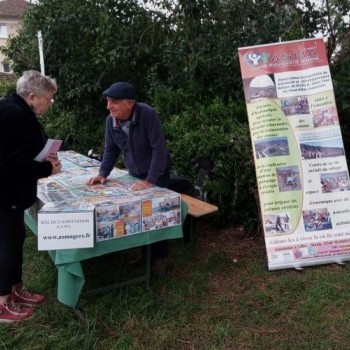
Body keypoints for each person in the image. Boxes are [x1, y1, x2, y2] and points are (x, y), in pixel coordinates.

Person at [86, 82, 171, 274]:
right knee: (138, 213)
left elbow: (159, 149)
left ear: (130, 103)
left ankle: (161, 256)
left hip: (156, 172)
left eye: (114, 102)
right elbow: (111, 150)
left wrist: (150, 180)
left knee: (156, 213)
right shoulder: (111, 121)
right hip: (135, 172)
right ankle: (144, 252)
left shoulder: (147, 114)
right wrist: (102, 174)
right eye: (108, 101)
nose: (109, 106)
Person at [0, 70, 61, 322]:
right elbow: (11, 164)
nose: (49, 104)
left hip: (11, 192)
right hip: (6, 193)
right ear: (33, 97)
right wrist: (48, 168)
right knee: (7, 245)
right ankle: (2, 304)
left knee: (15, 240)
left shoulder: (13, 109)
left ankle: (15, 288)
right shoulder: (14, 115)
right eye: (48, 99)